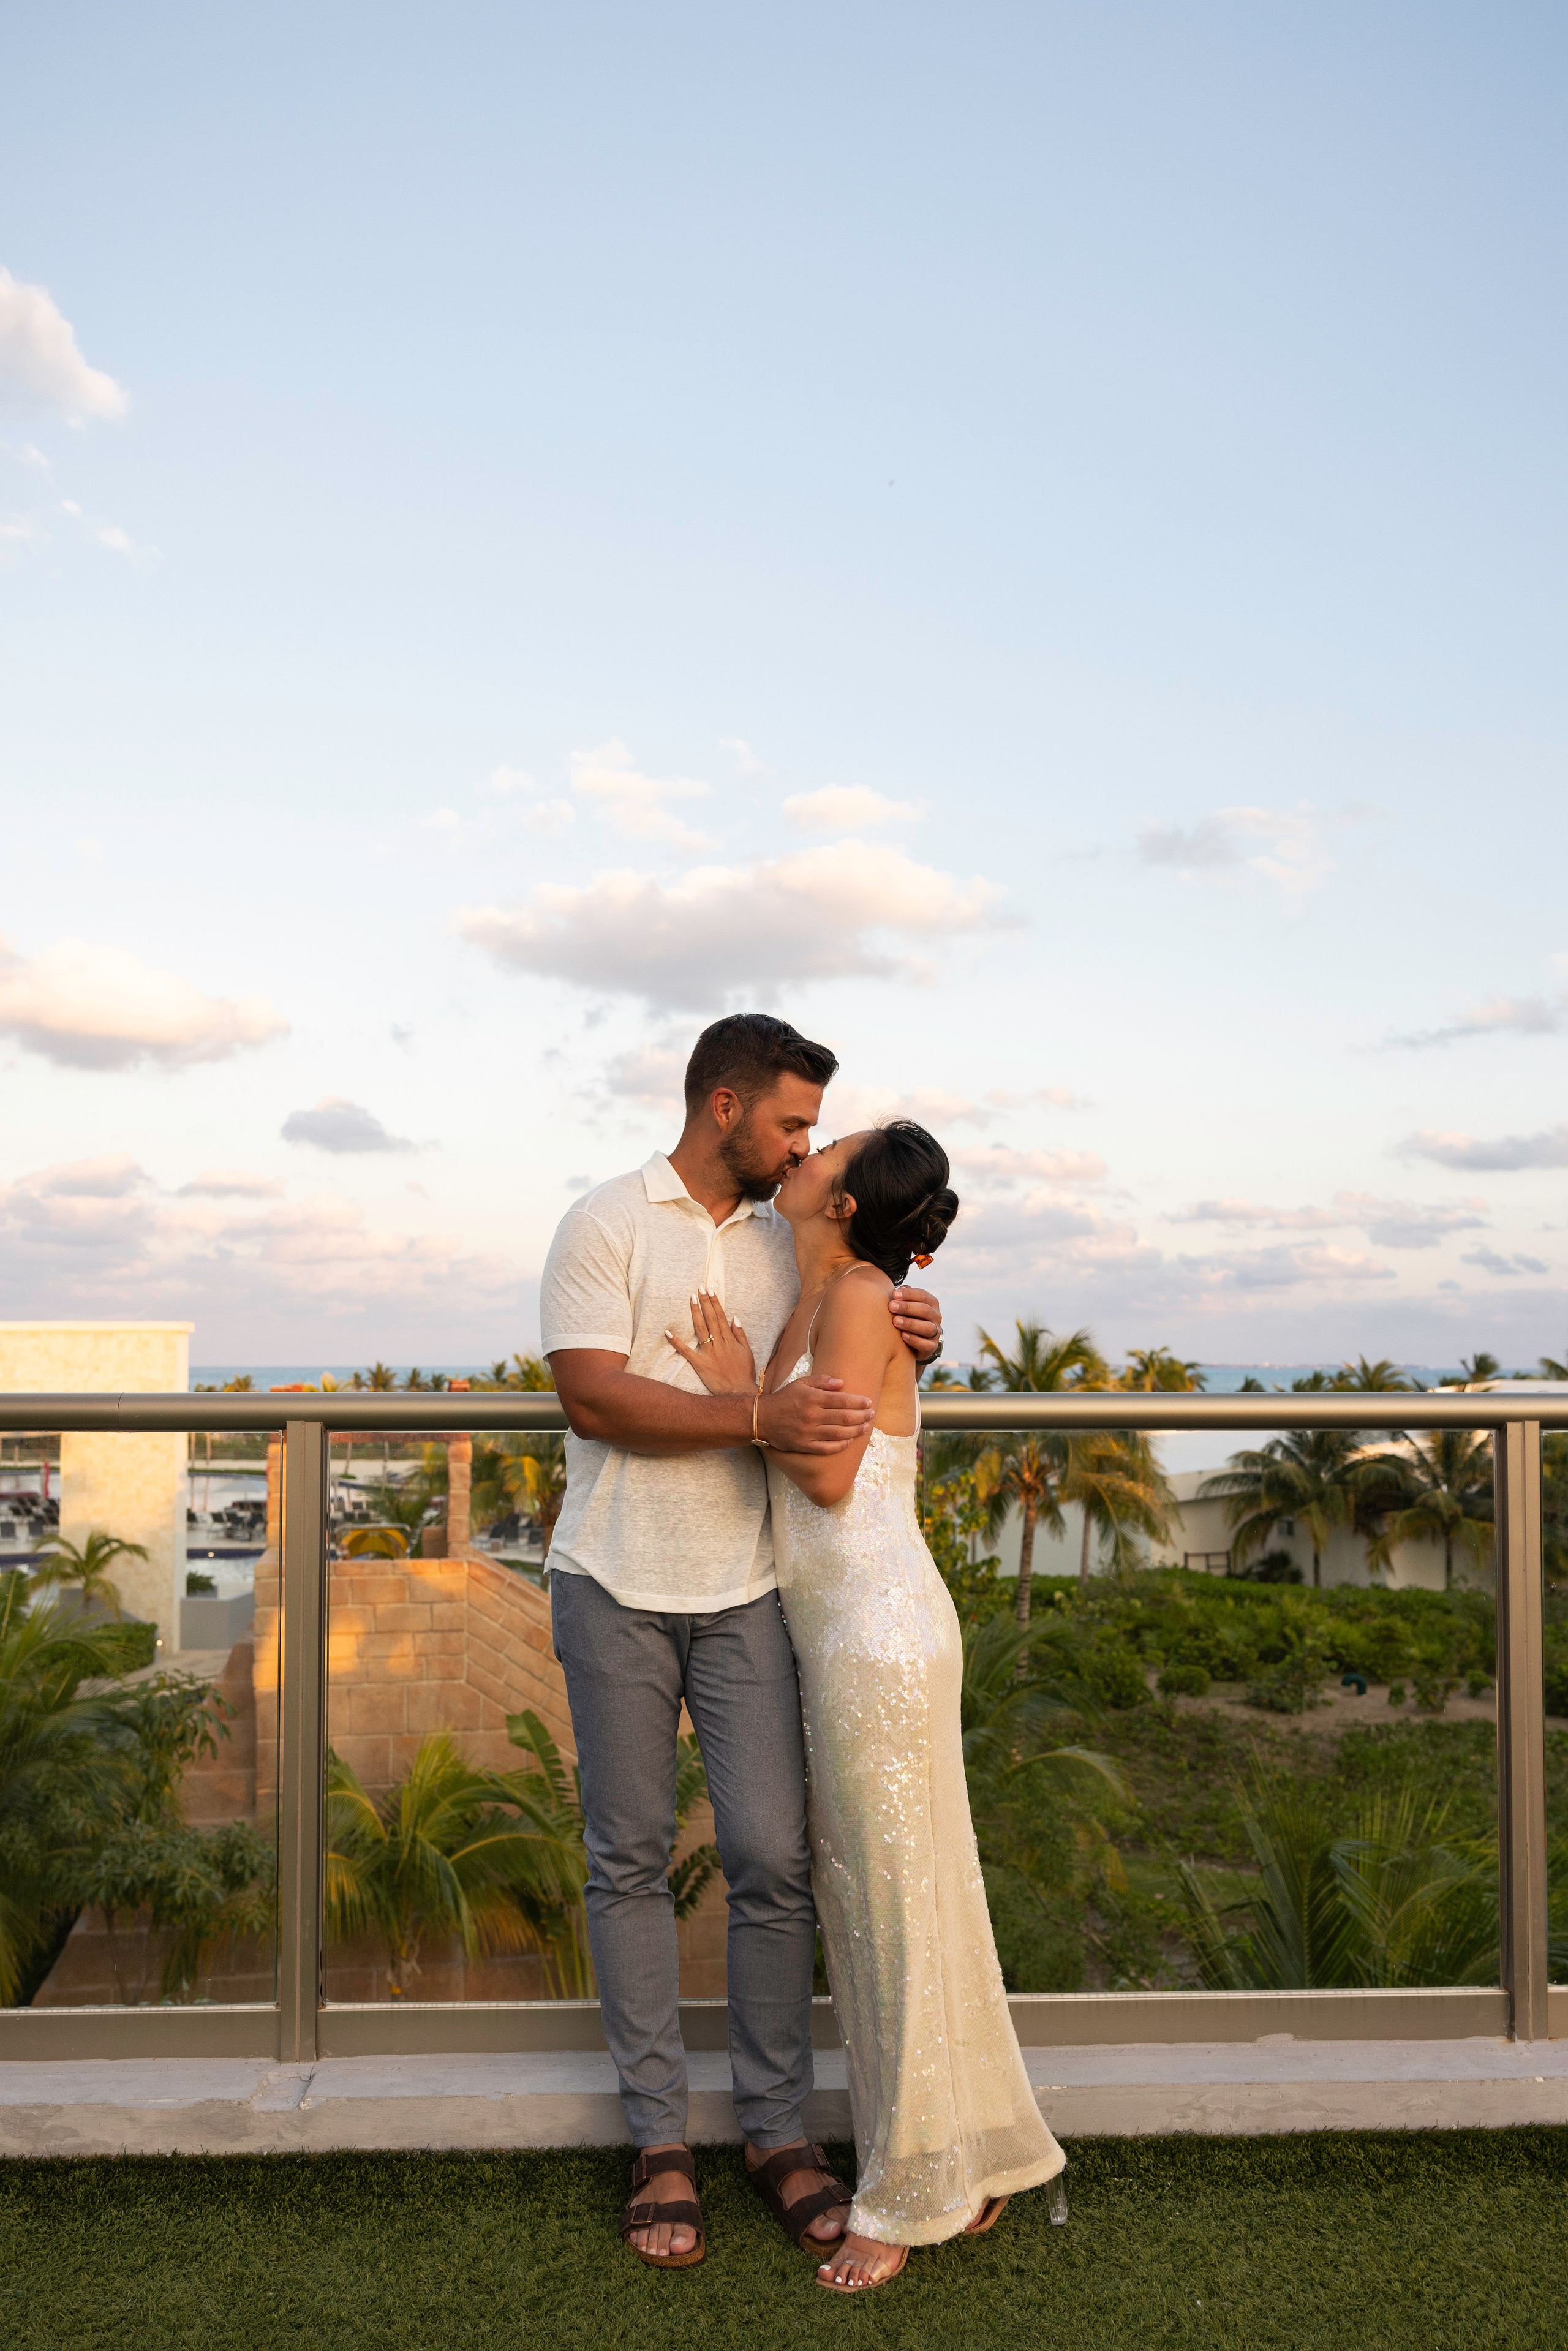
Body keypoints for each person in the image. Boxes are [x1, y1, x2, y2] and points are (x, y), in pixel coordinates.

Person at [540, 1014, 945, 2271]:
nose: (801, 1146)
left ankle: (774, 2128)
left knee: (771, 1854)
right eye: (789, 1123)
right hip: (610, 1576)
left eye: (813, 1132)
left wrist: (917, 1330)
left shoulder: (794, 1239)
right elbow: (593, 1394)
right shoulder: (604, 1220)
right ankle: (659, 2139)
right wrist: (755, 1411)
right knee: (629, 1855)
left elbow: (856, 1357)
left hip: (752, 1587)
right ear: (724, 1106)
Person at [667, 1118, 1065, 2292]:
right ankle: (962, 2151)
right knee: (884, 1898)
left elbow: (831, 1473)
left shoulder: (853, 1299)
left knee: (891, 1902)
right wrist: (766, 1384)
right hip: (843, 1631)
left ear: (843, 1202)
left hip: (877, 1632)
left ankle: (908, 2190)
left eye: (822, 1151)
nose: (802, 1156)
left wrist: (740, 1394)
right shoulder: (829, 1291)